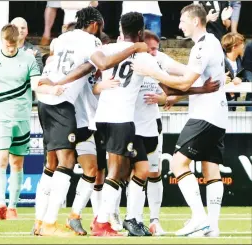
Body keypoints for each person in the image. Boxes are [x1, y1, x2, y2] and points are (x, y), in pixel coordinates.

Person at [32, 7, 148, 237]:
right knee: (63, 163)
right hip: (66, 107)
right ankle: (47, 223)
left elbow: (85, 66)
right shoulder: (92, 43)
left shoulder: (63, 40)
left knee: (85, 168)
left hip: (60, 105)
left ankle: (65, 218)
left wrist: (55, 82)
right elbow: (101, 64)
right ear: (95, 25)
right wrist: (134, 47)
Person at [132, 4, 228, 237]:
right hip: (218, 115)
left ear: (195, 21)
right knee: (210, 167)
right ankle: (212, 227)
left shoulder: (202, 47)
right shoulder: (212, 42)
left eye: (183, 21)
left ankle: (199, 218)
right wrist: (175, 95)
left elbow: (185, 82)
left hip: (204, 116)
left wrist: (153, 73)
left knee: (177, 164)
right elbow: (193, 83)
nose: (179, 25)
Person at [89, 11, 162, 237]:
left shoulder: (108, 48)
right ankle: (102, 222)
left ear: (120, 29)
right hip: (121, 120)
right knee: (116, 171)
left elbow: (98, 64)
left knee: (138, 169)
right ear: (140, 32)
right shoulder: (143, 56)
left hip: (102, 118)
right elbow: (167, 81)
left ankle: (129, 219)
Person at [0, 24, 41, 220]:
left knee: (17, 163)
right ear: (1, 41)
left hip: (21, 118)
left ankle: (13, 206)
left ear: (19, 41)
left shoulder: (29, 59)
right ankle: (0, 203)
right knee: (1, 160)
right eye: (7, 45)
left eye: (14, 45)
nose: (11, 49)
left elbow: (36, 86)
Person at [221, 32, 246, 111]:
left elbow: (245, 77)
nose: (243, 46)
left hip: (233, 98)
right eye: (241, 44)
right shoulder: (219, 61)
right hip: (220, 101)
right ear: (234, 47)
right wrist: (221, 78)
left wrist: (240, 79)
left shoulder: (241, 62)